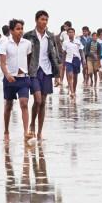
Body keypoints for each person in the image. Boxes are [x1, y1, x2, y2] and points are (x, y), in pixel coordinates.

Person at [23, 10, 61, 140]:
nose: (44, 22)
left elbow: (55, 55)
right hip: (33, 70)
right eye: (42, 19)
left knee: (43, 101)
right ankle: (32, 124)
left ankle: (39, 132)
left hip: (47, 70)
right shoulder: (28, 36)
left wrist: (58, 75)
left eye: (46, 20)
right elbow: (22, 53)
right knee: (37, 99)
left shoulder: (50, 36)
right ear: (36, 20)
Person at [0, 19, 34, 141]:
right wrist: (7, 74)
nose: (20, 31)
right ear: (11, 31)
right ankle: (6, 131)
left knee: (24, 103)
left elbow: (29, 59)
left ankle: (26, 133)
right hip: (10, 79)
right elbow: (2, 63)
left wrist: (27, 72)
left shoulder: (27, 44)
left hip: (23, 79)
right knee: (8, 105)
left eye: (21, 29)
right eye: (18, 29)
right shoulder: (5, 44)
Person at [62, 28, 85, 99]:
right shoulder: (65, 42)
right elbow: (64, 53)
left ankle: (74, 90)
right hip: (68, 60)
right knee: (70, 75)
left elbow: (81, 51)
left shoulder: (78, 41)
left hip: (77, 60)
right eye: (69, 32)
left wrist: (83, 59)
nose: (71, 33)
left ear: (74, 33)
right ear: (67, 34)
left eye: (72, 32)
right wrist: (63, 63)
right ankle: (71, 92)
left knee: (75, 77)